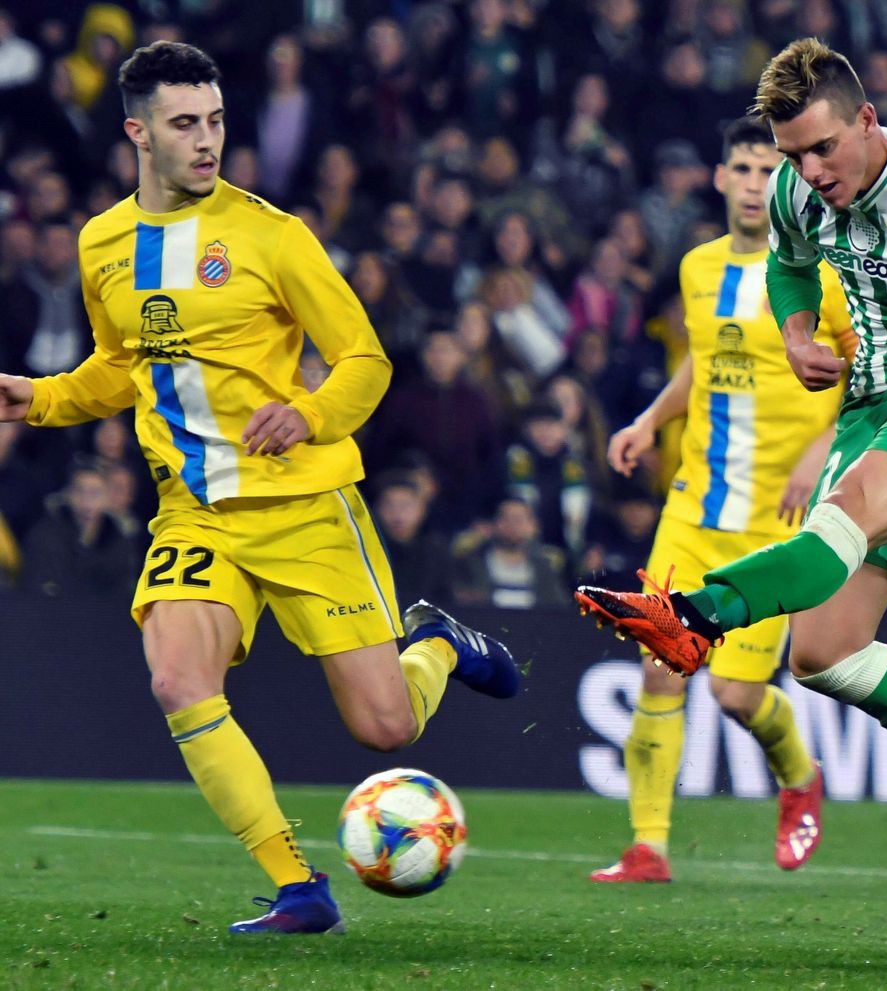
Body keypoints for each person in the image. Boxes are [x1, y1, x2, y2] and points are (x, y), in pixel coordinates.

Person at [0, 42, 521, 935]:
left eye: (214, 121)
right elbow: (124, 367)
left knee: (385, 729)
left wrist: (311, 415)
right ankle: (299, 884)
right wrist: (40, 398)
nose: (207, 141)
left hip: (303, 505)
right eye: (184, 124)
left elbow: (366, 360)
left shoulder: (274, 235)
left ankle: (435, 641)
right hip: (194, 510)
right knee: (177, 679)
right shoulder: (102, 243)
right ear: (138, 132)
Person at [577, 38, 887, 847]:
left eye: (824, 148)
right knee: (823, 651)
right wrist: (798, 333)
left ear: (867, 119)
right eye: (793, 156)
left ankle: (695, 615)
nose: (810, 172)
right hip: (873, 401)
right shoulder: (798, 194)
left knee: (847, 507)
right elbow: (789, 266)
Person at [586, 116, 853, 883]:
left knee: (738, 694)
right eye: (742, 168)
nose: (754, 184)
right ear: (719, 177)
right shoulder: (699, 268)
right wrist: (647, 420)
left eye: (770, 170)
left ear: (792, 180)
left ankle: (799, 776)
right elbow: (704, 364)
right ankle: (648, 846)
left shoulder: (822, 273)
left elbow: (863, 377)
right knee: (659, 668)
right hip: (694, 506)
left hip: (774, 518)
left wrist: (818, 452)